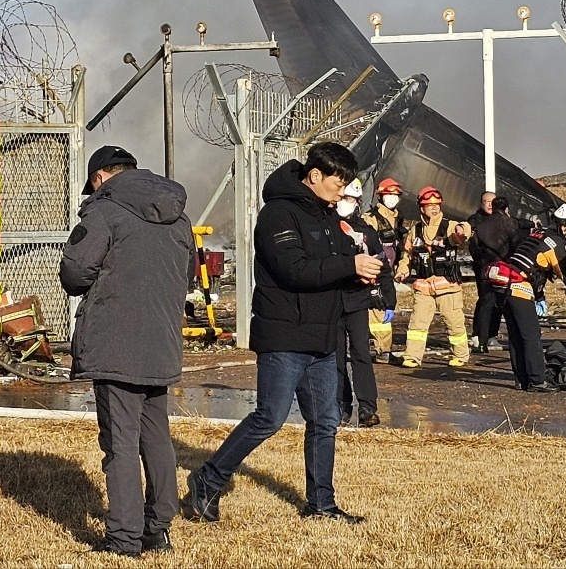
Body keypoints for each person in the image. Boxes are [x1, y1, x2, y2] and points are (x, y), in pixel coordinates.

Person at [182, 142, 380, 525]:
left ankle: (321, 505)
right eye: (340, 184)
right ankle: (209, 479)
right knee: (269, 417)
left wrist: (363, 272)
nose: (343, 192)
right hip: (285, 335)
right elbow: (295, 270)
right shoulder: (277, 214)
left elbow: (336, 266)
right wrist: (348, 264)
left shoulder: (326, 216)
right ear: (315, 175)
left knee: (324, 421)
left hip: (322, 336)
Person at [60, 144, 193, 556]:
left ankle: (123, 539)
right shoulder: (179, 215)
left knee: (120, 443)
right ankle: (159, 528)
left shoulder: (103, 211)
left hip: (116, 344)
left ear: (100, 177)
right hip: (163, 342)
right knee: (157, 438)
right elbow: (186, 275)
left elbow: (75, 273)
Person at [484, 214, 566, 393]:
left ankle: (522, 380)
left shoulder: (537, 235)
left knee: (515, 336)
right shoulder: (555, 242)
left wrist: (540, 297)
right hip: (519, 289)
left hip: (503, 287)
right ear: (565, 226)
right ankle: (537, 380)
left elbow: (532, 268)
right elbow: (563, 273)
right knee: (531, 336)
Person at [394, 187, 472, 368]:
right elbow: (407, 254)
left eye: (437, 205)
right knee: (417, 325)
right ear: (422, 208)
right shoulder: (416, 230)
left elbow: (464, 231)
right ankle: (412, 356)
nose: (434, 208)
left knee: (454, 324)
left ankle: (460, 355)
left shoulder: (449, 226)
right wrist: (402, 270)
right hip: (423, 287)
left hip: (448, 287)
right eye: (430, 205)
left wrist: (462, 229)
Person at [335, 179, 391, 427]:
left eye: (350, 200)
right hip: (331, 301)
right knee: (334, 357)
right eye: (342, 198)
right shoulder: (325, 227)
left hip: (357, 301)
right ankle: (340, 407)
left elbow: (383, 266)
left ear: (357, 203)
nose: (345, 204)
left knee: (361, 354)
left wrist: (389, 300)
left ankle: (367, 408)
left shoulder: (366, 233)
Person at [358, 178, 406, 362]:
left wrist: (401, 268)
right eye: (389, 195)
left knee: (385, 304)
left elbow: (401, 248)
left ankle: (382, 348)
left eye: (395, 195)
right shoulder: (370, 219)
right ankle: (379, 347)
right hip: (374, 267)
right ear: (380, 196)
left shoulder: (398, 218)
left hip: (389, 269)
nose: (392, 198)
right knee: (376, 305)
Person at [467, 191, 519, 354]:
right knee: (486, 302)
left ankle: (488, 336)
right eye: (485, 202)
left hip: (493, 268)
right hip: (489, 267)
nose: (489, 204)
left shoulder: (495, 223)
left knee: (494, 303)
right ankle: (480, 335)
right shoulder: (476, 221)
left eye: (492, 202)